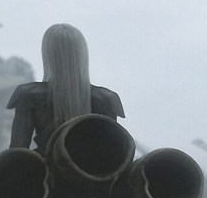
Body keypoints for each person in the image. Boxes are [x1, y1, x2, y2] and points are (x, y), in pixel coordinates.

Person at [7, 23, 124, 152]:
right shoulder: (106, 98)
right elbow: (112, 154)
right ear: (81, 53)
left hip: (45, 164)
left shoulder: (29, 95)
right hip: (91, 165)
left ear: (48, 54)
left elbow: (17, 151)